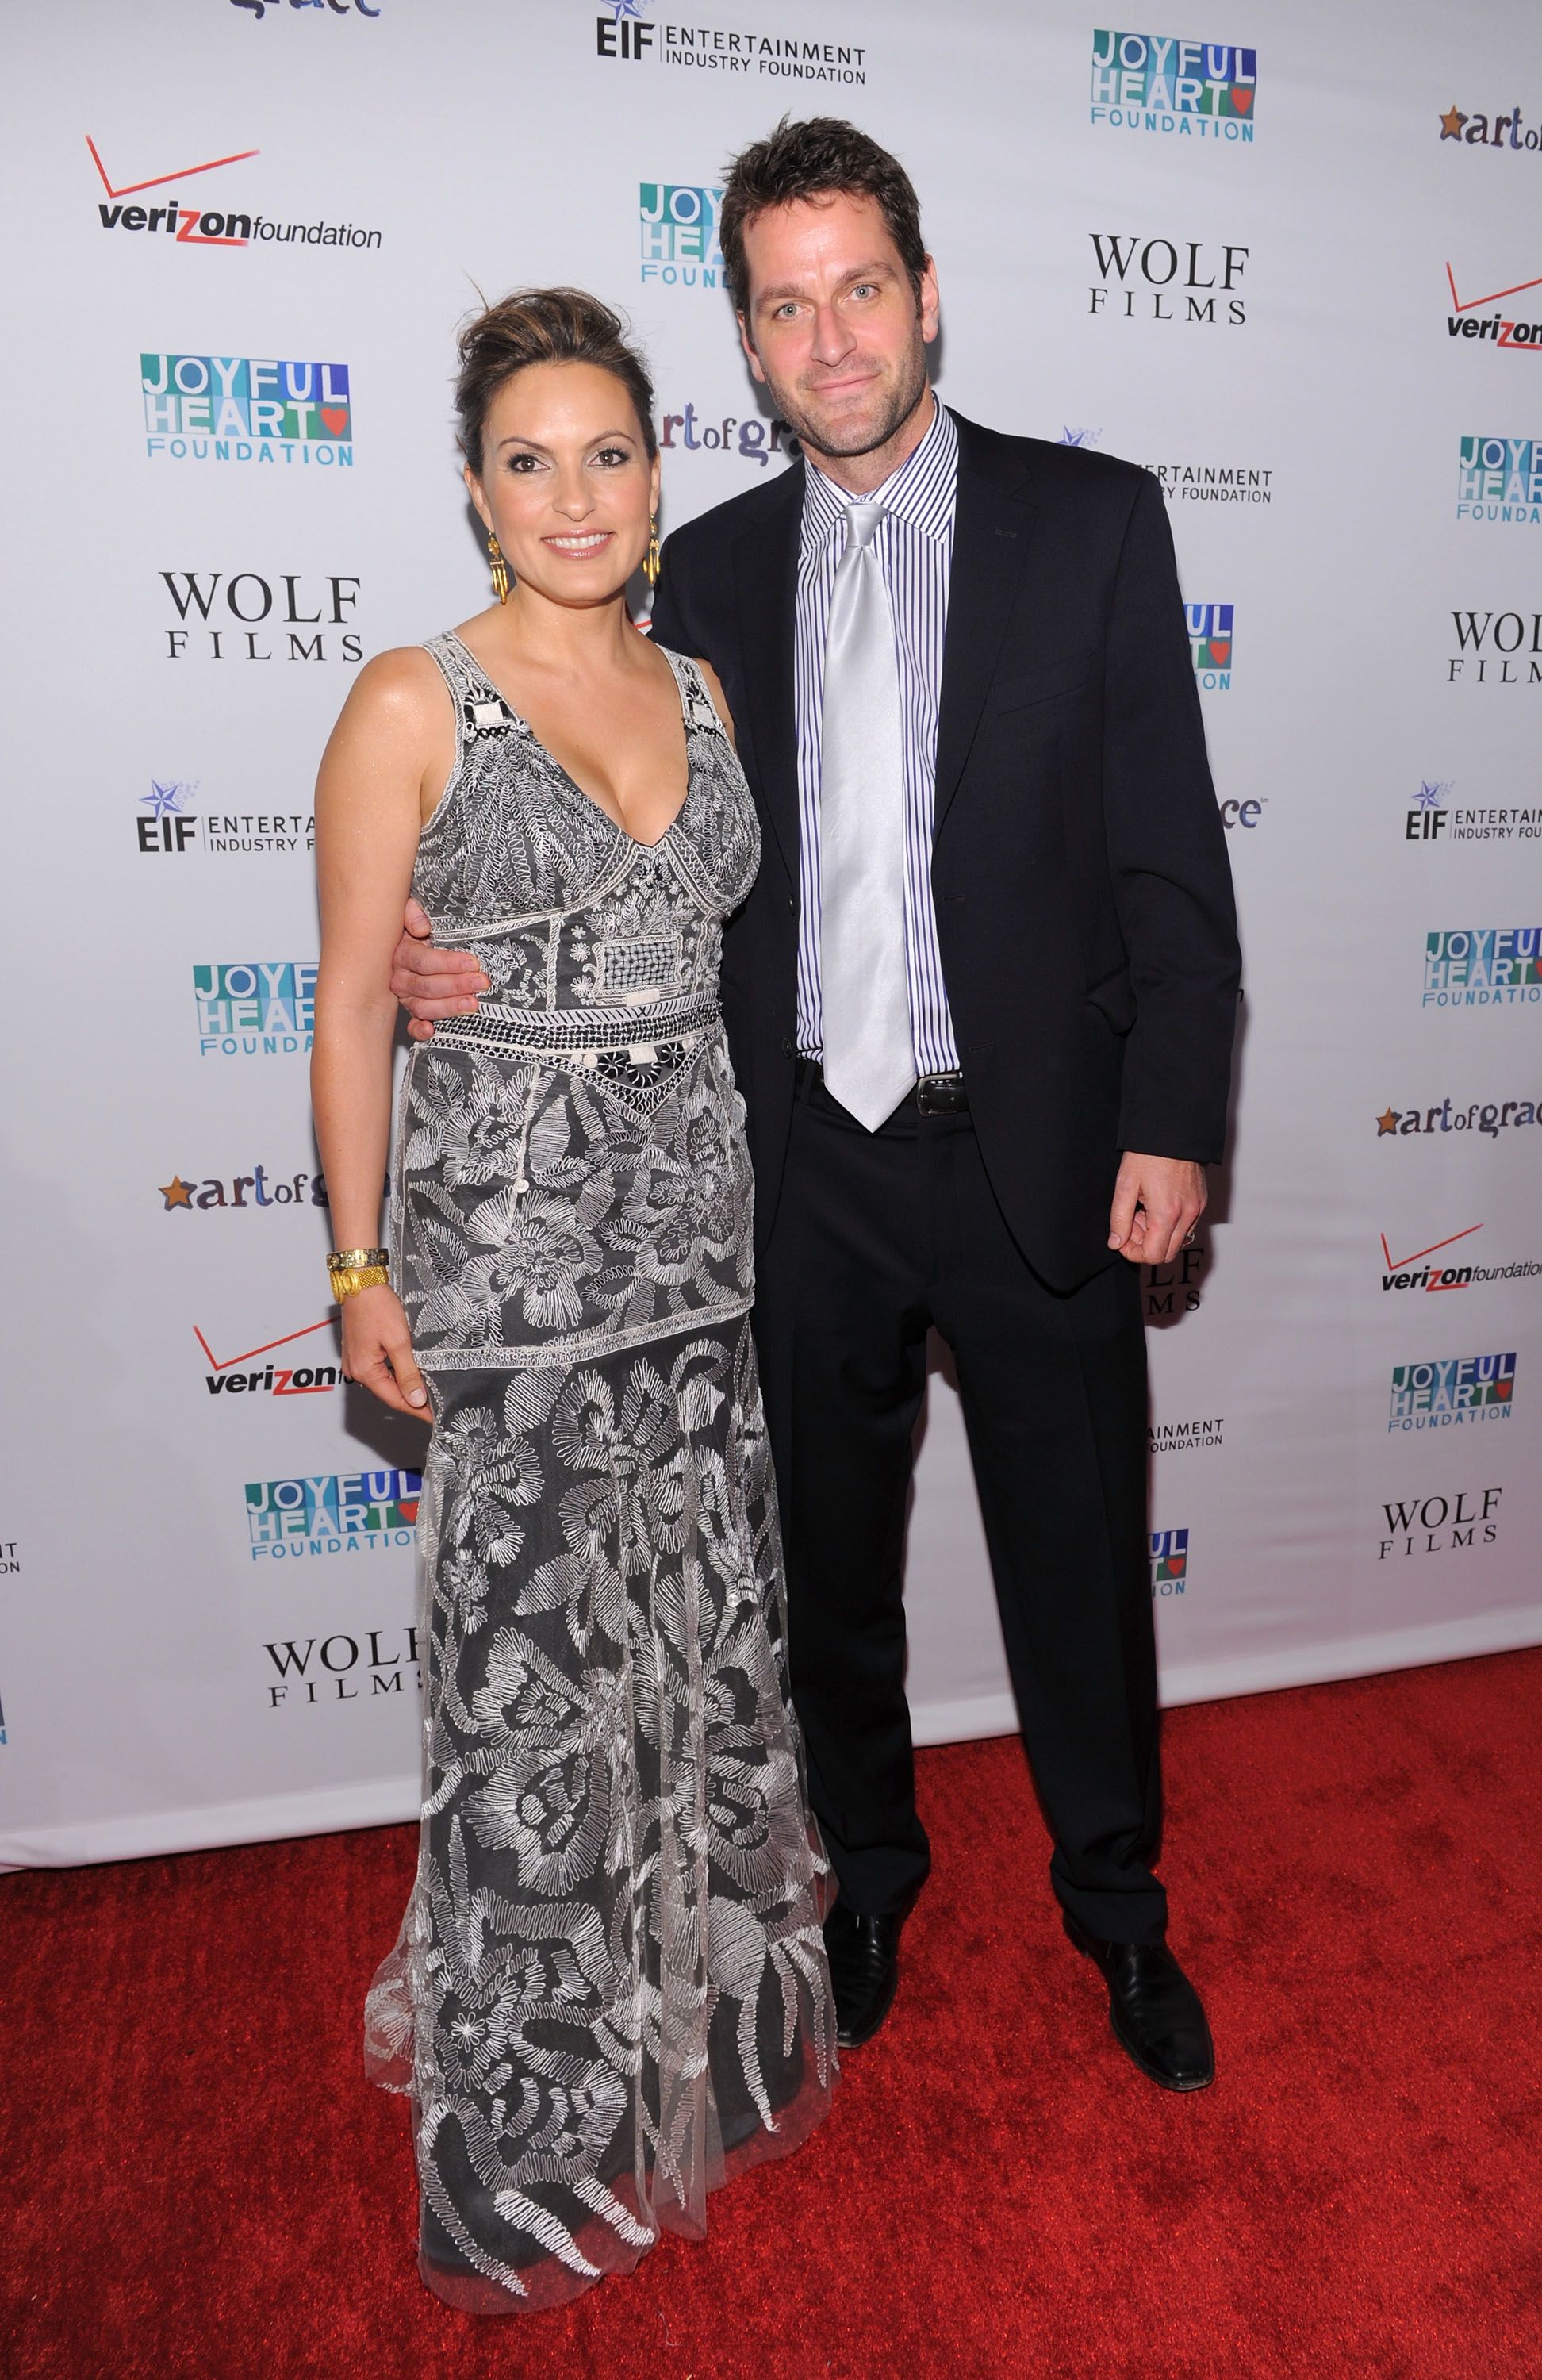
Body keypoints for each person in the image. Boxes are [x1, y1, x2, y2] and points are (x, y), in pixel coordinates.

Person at [392, 122, 1241, 2093]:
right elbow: (602, 832)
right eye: (788, 306)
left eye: (863, 289)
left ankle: (1120, 1913)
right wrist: (453, 962)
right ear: (751, 349)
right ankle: (868, 1880)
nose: (833, 336)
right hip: (798, 1172)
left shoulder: (1094, 523)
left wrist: (1174, 1118)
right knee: (827, 1573)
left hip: (1037, 1150)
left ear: (926, 296)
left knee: (1077, 1564)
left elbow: (1170, 859)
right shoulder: (705, 576)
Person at [311, 286, 834, 2314]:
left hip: (701, 1275)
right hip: (510, 1292)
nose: (574, 493)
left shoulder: (704, 687)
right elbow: (359, 1004)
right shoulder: (409, 702)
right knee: (529, 1708)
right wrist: (357, 1262)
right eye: (529, 459)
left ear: (652, 467)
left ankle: (681, 2044)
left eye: (608, 451)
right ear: (474, 489)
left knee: (695, 1676)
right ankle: (523, 2122)